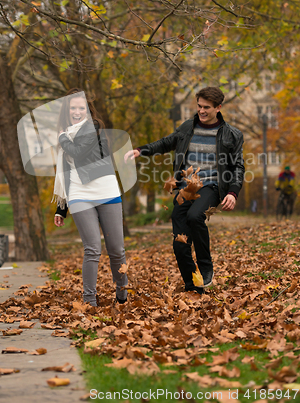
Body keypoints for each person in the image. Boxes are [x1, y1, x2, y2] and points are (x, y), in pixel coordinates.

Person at [125, 86, 244, 294]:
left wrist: (233, 192)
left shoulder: (231, 135)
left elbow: (238, 167)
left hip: (212, 186)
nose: (202, 110)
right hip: (185, 188)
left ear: (218, 108)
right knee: (180, 242)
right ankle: (194, 287)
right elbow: (166, 142)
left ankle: (206, 268)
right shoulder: (188, 127)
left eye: (207, 107)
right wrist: (141, 150)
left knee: (195, 216)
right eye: (199, 106)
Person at [53, 89, 128, 307]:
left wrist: (60, 137)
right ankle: (89, 301)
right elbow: (65, 175)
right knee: (93, 247)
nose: (77, 112)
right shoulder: (66, 133)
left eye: (81, 108)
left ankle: (122, 293)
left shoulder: (93, 127)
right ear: (67, 111)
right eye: (73, 108)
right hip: (79, 193)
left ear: (88, 109)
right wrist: (61, 208)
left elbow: (77, 152)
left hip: (107, 191)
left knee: (116, 250)